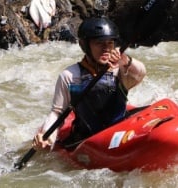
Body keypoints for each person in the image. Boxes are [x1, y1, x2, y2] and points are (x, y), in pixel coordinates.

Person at [32, 17, 146, 151]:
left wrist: (125, 60)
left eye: (110, 43)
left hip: (119, 133)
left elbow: (140, 74)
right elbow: (57, 113)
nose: (106, 49)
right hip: (87, 140)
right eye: (99, 43)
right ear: (84, 45)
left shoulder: (119, 70)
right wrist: (48, 137)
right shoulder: (70, 76)